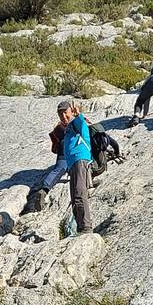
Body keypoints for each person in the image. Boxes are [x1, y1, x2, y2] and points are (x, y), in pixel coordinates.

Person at [58, 100, 93, 234]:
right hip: (73, 165)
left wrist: (78, 115)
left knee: (79, 194)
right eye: (60, 115)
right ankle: (80, 227)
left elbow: (80, 122)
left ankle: (86, 227)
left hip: (80, 160)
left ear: (71, 112)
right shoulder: (67, 129)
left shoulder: (77, 122)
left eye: (65, 113)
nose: (63, 117)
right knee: (74, 198)